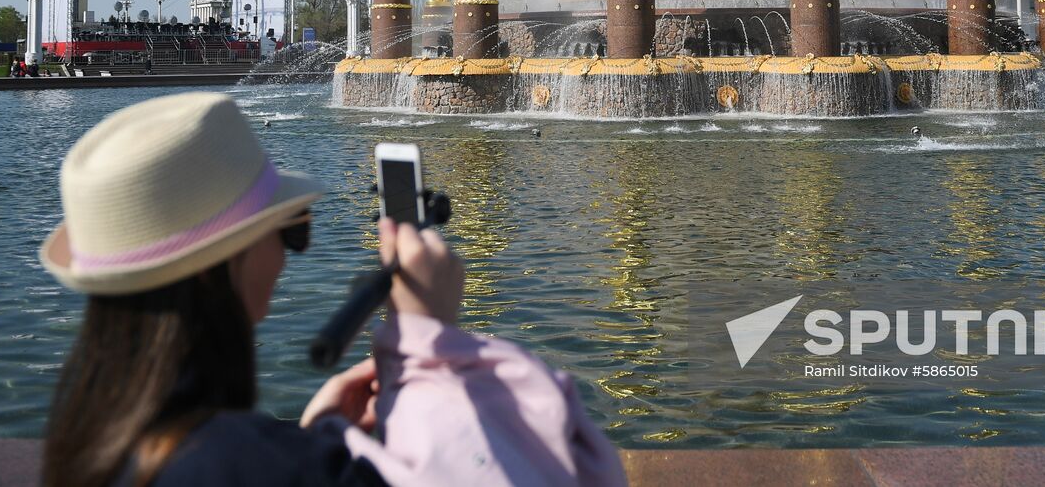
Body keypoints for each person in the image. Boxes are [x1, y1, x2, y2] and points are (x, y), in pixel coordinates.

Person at [41, 93, 625, 487]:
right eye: (291, 229)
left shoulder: (87, 445)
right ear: (217, 265)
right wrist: (432, 342)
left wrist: (306, 436)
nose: (296, 252)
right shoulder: (258, 469)